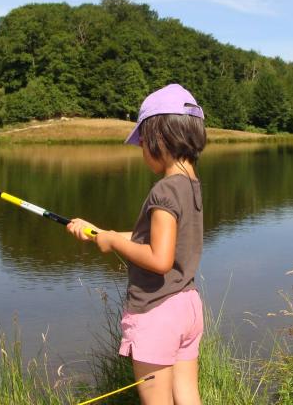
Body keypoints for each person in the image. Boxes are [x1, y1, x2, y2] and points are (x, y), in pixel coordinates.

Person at [67, 83, 206, 404]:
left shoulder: (164, 191)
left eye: (142, 141)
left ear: (159, 138)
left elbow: (159, 259)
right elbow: (161, 241)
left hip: (157, 311)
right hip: (187, 306)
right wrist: (102, 233)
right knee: (187, 395)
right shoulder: (190, 186)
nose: (142, 149)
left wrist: (114, 240)